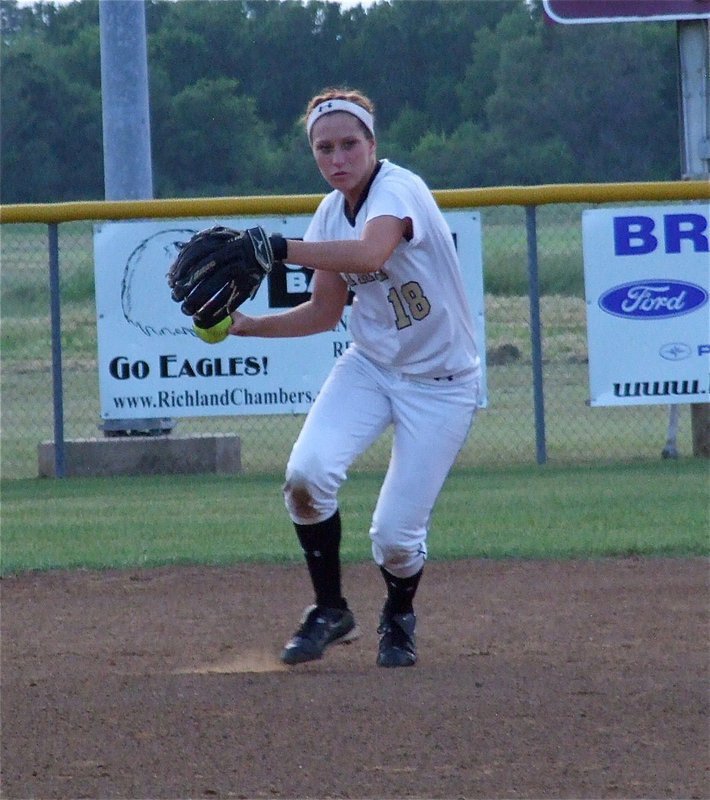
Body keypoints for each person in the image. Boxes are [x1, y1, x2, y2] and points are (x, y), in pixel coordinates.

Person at [228, 87, 481, 668]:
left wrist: (281, 248)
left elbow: (371, 255)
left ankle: (398, 615)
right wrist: (250, 326)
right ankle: (330, 609)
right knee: (305, 477)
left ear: (372, 144)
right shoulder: (328, 211)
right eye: (324, 148)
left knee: (395, 539)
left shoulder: (398, 188)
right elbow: (323, 312)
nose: (337, 158)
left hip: (441, 383)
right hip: (370, 365)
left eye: (349, 144)